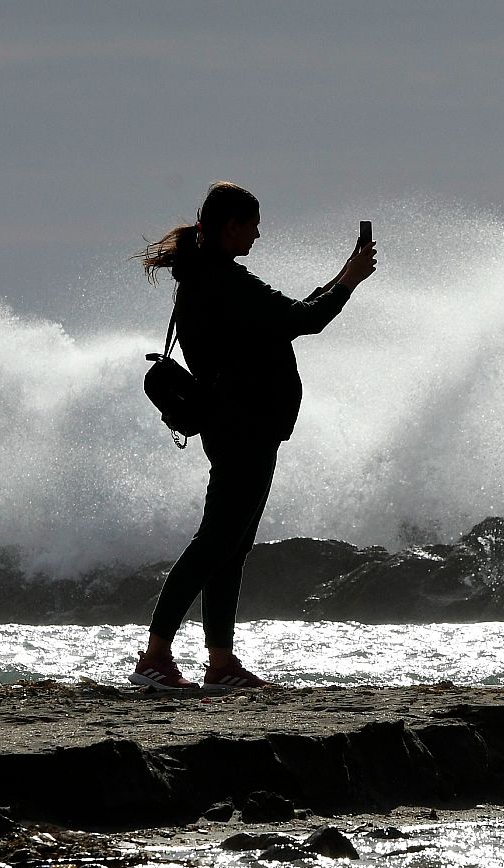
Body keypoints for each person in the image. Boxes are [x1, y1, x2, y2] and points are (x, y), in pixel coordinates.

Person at [131, 181, 376, 689]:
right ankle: (155, 659)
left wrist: (343, 276)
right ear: (230, 226)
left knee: (229, 547)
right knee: (214, 543)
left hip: (242, 425)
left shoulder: (206, 277)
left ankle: (220, 664)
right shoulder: (221, 281)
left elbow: (289, 318)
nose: (259, 234)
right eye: (252, 224)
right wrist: (349, 281)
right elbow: (305, 320)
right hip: (242, 426)